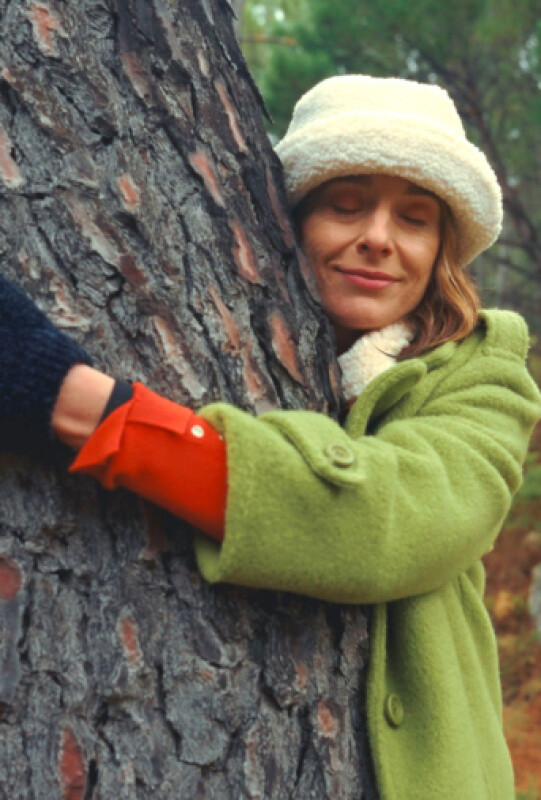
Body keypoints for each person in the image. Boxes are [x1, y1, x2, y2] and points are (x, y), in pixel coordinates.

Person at [1, 75, 540, 800]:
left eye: (414, 219)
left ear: (441, 248)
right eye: (345, 205)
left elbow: (382, 523)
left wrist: (77, 403)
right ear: (289, 221)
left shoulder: (486, 375)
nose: (377, 238)